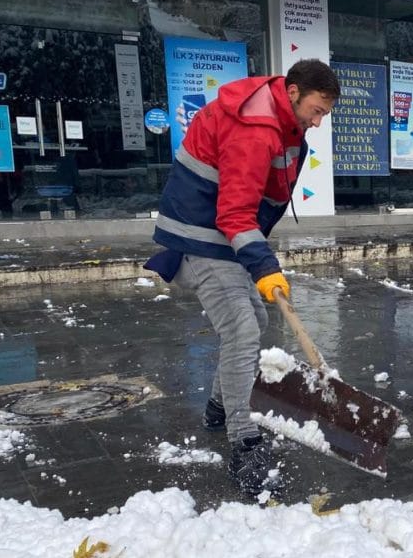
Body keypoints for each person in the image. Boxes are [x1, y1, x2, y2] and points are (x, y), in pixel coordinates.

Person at [143, 59, 340, 495]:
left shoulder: (277, 117)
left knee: (257, 321)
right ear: (291, 91)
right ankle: (243, 441)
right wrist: (265, 267)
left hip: (221, 235)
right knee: (243, 327)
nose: (318, 121)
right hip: (201, 238)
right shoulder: (255, 128)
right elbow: (234, 211)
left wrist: (259, 263)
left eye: (324, 113)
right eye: (317, 109)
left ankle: (218, 403)